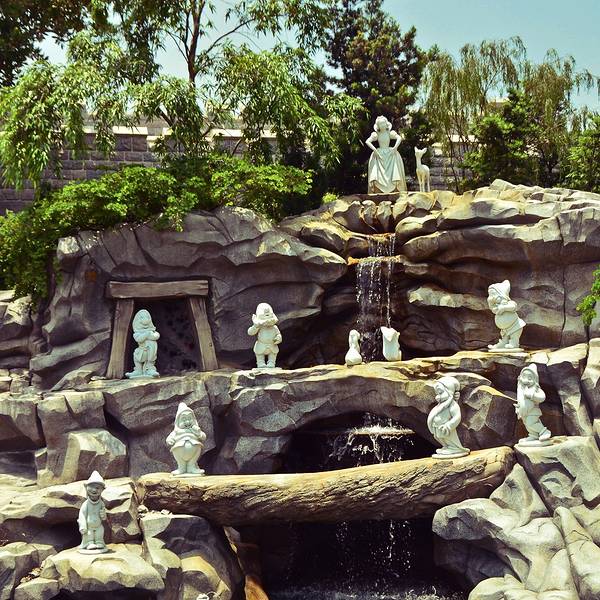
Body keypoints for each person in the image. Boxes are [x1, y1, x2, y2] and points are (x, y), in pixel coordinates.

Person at [427, 376, 470, 458]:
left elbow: (457, 417)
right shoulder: (441, 405)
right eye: (437, 393)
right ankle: (447, 446)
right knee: (439, 437)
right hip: (437, 427)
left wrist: (449, 425)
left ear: (449, 391)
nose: (438, 396)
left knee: (449, 438)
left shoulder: (453, 405)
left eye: (440, 392)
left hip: (446, 428)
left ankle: (454, 448)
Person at [366, 116, 407, 194]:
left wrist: (395, 147)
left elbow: (399, 138)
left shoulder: (389, 133)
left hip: (390, 153)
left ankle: (394, 188)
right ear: (378, 126)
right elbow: (367, 141)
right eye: (380, 124)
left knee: (394, 167)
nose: (382, 125)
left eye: (383, 123)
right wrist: (375, 150)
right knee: (377, 171)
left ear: (386, 124)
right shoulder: (376, 134)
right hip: (379, 154)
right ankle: (379, 189)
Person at [167, 402, 207, 475]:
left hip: (194, 450)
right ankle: (181, 468)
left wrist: (199, 433)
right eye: (184, 419)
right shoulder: (176, 432)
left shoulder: (195, 431)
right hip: (178, 450)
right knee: (176, 451)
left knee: (198, 447)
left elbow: (203, 437)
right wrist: (169, 440)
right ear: (178, 421)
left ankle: (191, 467)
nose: (187, 422)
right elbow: (169, 438)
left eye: (189, 418)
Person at [515, 364, 551, 445]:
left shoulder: (535, 389)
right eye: (524, 377)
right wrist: (518, 407)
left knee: (531, 423)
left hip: (533, 411)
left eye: (530, 378)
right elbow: (520, 400)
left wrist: (533, 396)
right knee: (527, 425)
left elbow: (542, 397)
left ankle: (544, 431)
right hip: (524, 412)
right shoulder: (521, 389)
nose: (526, 381)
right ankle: (534, 435)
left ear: (535, 380)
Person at [487, 280, 525, 351]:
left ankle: (514, 343)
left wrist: (504, 308)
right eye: (490, 294)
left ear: (502, 295)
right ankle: (503, 343)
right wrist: (492, 304)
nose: (492, 297)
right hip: (505, 329)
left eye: (493, 294)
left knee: (514, 336)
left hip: (515, 326)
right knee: (505, 337)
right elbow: (493, 309)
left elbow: (513, 307)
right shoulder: (497, 306)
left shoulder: (509, 303)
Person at [78, 471, 108, 552]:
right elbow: (82, 514)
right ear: (86, 487)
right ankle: (89, 543)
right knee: (89, 534)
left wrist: (103, 515)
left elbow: (104, 517)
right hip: (89, 527)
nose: (94, 490)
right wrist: (83, 525)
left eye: (97, 488)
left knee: (99, 533)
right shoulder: (86, 504)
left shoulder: (101, 503)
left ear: (102, 489)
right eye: (91, 487)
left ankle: (99, 542)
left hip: (98, 526)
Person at [126, 309, 160, 378]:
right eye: (142, 317)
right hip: (141, 352)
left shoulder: (152, 331)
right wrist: (147, 334)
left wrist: (150, 333)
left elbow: (156, 336)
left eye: (147, 317)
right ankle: (138, 370)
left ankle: (150, 369)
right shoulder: (137, 333)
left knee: (151, 359)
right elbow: (139, 339)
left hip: (151, 352)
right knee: (136, 356)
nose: (146, 319)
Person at [247, 303, 282, 368]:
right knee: (260, 356)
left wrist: (278, 338)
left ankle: (271, 363)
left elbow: (278, 334)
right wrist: (255, 326)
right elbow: (250, 332)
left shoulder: (275, 327)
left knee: (272, 355)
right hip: (261, 345)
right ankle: (260, 363)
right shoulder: (259, 327)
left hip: (272, 345)